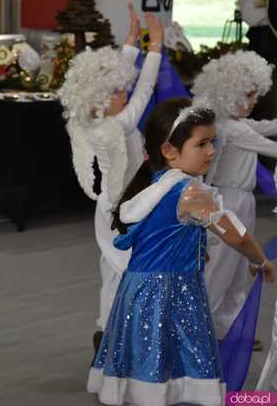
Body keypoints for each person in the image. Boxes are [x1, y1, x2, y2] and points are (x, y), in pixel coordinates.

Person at [88, 97, 274, 406]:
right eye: (202, 144)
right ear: (169, 151)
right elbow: (236, 235)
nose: (212, 151)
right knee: (172, 363)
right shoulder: (192, 192)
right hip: (169, 292)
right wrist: (260, 260)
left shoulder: (158, 183)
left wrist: (195, 250)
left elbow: (166, 236)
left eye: (212, 142)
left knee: (149, 363)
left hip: (138, 289)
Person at [58, 6, 164, 351]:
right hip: (126, 208)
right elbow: (146, 88)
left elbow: (120, 81)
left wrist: (131, 42)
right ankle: (123, 334)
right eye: (119, 92)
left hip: (107, 205)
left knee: (111, 268)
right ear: (103, 100)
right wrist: (155, 48)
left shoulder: (88, 121)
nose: (126, 94)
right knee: (127, 269)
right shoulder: (120, 125)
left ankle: (106, 328)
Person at [192, 51, 277, 343]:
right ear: (231, 94)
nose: (255, 100)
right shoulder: (233, 127)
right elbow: (270, 145)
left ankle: (229, 328)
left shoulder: (234, 123)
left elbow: (268, 126)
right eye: (250, 94)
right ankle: (203, 328)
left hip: (242, 201)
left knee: (239, 270)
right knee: (221, 268)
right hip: (227, 202)